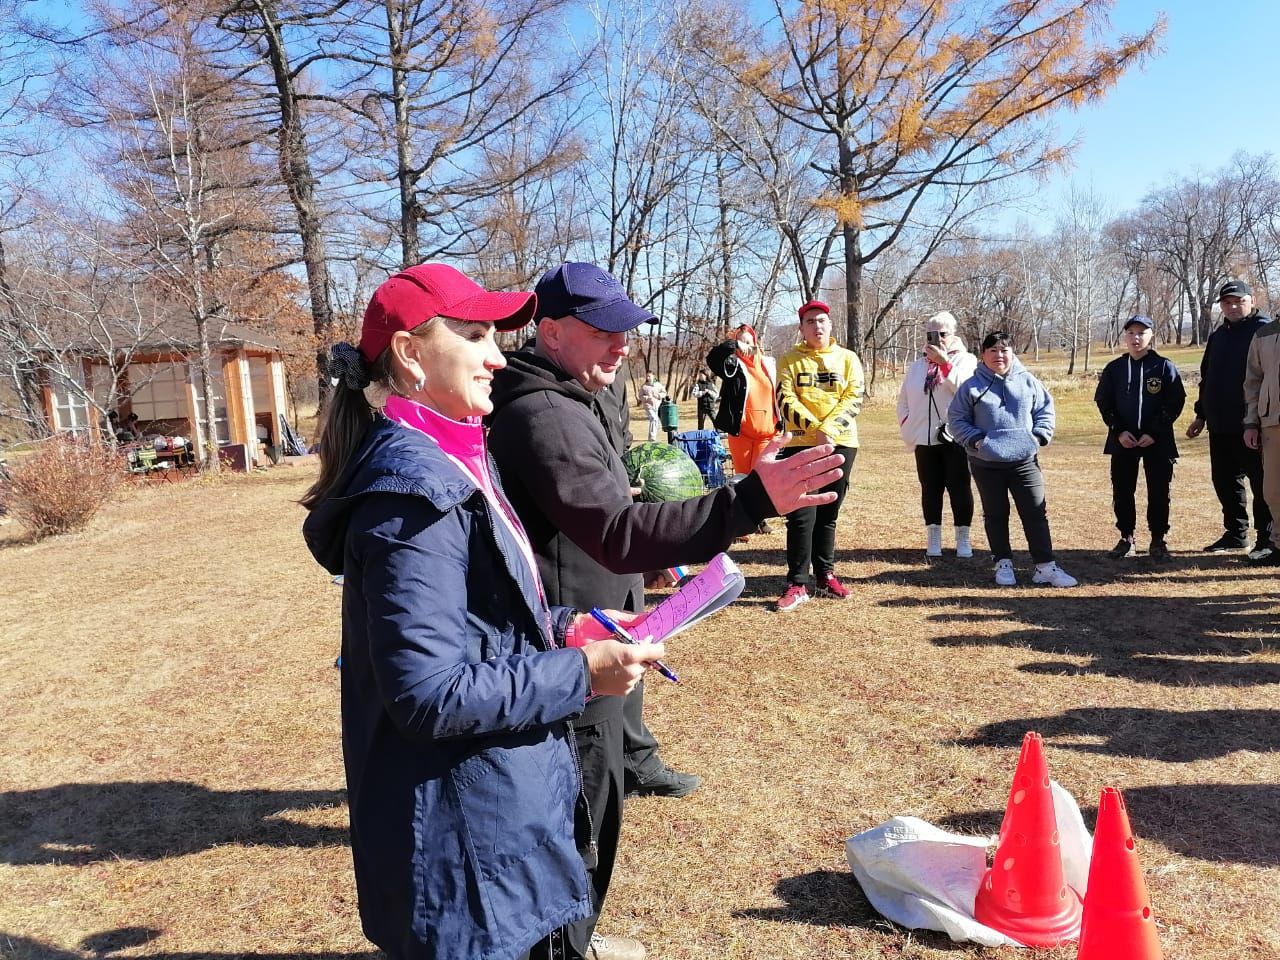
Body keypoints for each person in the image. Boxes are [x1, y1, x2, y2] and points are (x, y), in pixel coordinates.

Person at [299, 262, 667, 960]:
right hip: (461, 833)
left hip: (492, 807)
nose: (499, 355)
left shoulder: (458, 453)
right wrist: (579, 672)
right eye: (474, 335)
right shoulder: (413, 493)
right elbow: (430, 694)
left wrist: (563, 627)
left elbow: (480, 615)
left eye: (496, 335)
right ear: (411, 354)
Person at [487, 262, 844, 960]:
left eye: (628, 330)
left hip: (600, 633)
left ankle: (573, 938)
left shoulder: (579, 391)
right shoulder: (544, 412)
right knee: (578, 818)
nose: (623, 346)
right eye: (603, 332)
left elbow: (597, 519)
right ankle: (561, 947)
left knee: (601, 797)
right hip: (573, 649)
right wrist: (747, 502)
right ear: (550, 331)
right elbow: (613, 530)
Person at [947, 331, 1077, 588]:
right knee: (996, 514)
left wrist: (1038, 437)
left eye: (1004, 350)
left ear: (1012, 353)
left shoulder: (1027, 380)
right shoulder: (971, 386)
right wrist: (977, 441)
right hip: (986, 463)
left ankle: (1045, 567)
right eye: (993, 350)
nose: (999, 355)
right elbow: (957, 419)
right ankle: (1003, 562)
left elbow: (1044, 410)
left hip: (1024, 461)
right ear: (982, 355)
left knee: (1035, 511)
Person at [773, 299, 863, 612]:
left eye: (822, 320)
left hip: (841, 442)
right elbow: (784, 400)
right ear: (801, 329)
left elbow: (854, 396)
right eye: (810, 321)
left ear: (830, 324)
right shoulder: (788, 359)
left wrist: (831, 428)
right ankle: (797, 582)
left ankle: (825, 575)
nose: (817, 326)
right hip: (801, 444)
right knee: (800, 514)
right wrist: (814, 428)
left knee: (828, 512)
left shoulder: (848, 358)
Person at [1186, 279, 1274, 562]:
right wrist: (1201, 414)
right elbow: (1207, 376)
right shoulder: (1219, 335)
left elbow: (1261, 379)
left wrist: (1255, 421)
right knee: (1225, 480)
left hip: (1253, 423)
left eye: (1239, 301)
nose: (1233, 306)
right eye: (1227, 302)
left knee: (1263, 484)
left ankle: (1268, 538)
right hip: (1220, 422)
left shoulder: (1264, 330)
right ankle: (1236, 532)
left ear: (1251, 301)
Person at [1094, 315, 1186, 559]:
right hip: (1123, 440)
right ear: (1125, 336)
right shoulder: (1114, 369)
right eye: (1131, 333)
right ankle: (1127, 537)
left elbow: (1175, 401)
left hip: (1157, 440)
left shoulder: (1164, 366)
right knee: (1123, 490)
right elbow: (1104, 402)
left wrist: (1154, 432)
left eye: (1141, 333)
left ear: (1151, 335)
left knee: (1159, 490)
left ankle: (1158, 539)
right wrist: (1118, 430)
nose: (1136, 338)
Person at [895, 311, 977, 558]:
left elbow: (967, 391)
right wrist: (908, 424)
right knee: (930, 489)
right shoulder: (918, 365)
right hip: (924, 436)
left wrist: (944, 364)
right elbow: (903, 399)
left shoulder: (967, 360)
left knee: (959, 488)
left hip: (956, 437)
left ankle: (963, 537)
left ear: (953, 334)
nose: (937, 339)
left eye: (943, 334)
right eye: (932, 334)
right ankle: (934, 536)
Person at [706, 324, 779, 476]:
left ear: (755, 343)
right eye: (741, 343)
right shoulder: (732, 367)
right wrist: (734, 345)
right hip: (742, 435)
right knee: (743, 480)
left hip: (767, 434)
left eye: (748, 342)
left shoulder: (769, 364)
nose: (745, 347)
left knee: (761, 479)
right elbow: (712, 358)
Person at [1244, 308, 1280, 565]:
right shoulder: (1264, 334)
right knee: (1273, 491)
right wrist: (1251, 422)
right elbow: (1253, 381)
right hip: (1272, 422)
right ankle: (1278, 545)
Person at [637, 372, 666, 442]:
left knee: (656, 421)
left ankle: (654, 437)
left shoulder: (658, 385)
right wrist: (646, 398)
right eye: (647, 376)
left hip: (656, 406)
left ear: (653, 376)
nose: (647, 378)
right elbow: (640, 396)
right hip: (648, 406)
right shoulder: (644, 386)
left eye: (649, 376)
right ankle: (652, 437)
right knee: (654, 418)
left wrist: (659, 396)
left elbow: (664, 393)